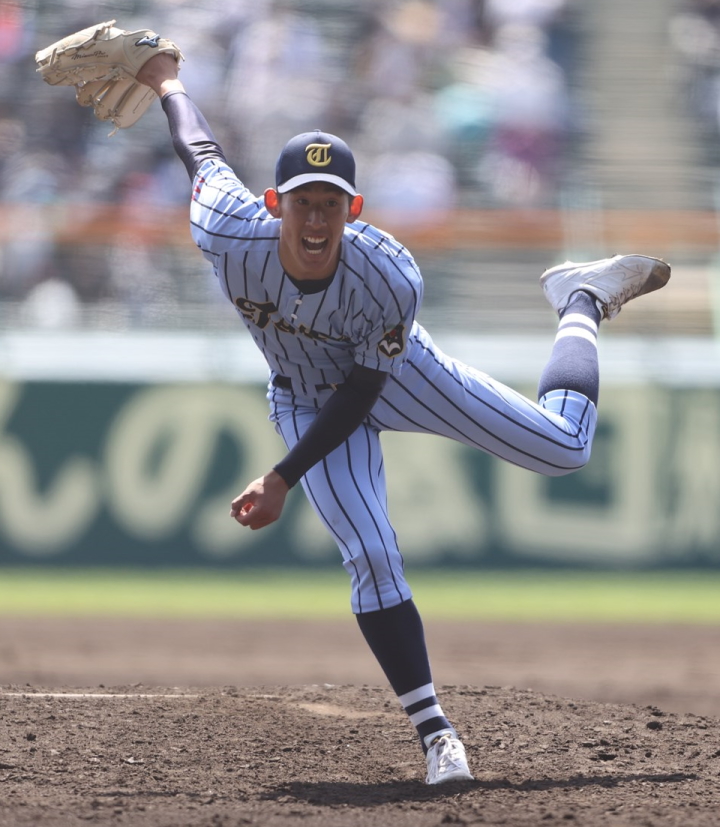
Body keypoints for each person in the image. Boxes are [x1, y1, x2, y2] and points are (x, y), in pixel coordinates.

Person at [134, 52, 670, 785]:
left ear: (353, 210)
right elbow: (198, 149)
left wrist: (284, 475)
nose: (316, 217)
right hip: (302, 394)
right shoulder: (229, 229)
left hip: (390, 374)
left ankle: (580, 299)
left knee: (568, 448)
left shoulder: (388, 274)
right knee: (373, 556)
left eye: (331, 203)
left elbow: (361, 391)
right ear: (272, 203)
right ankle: (437, 736)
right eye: (303, 201)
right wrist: (166, 81)